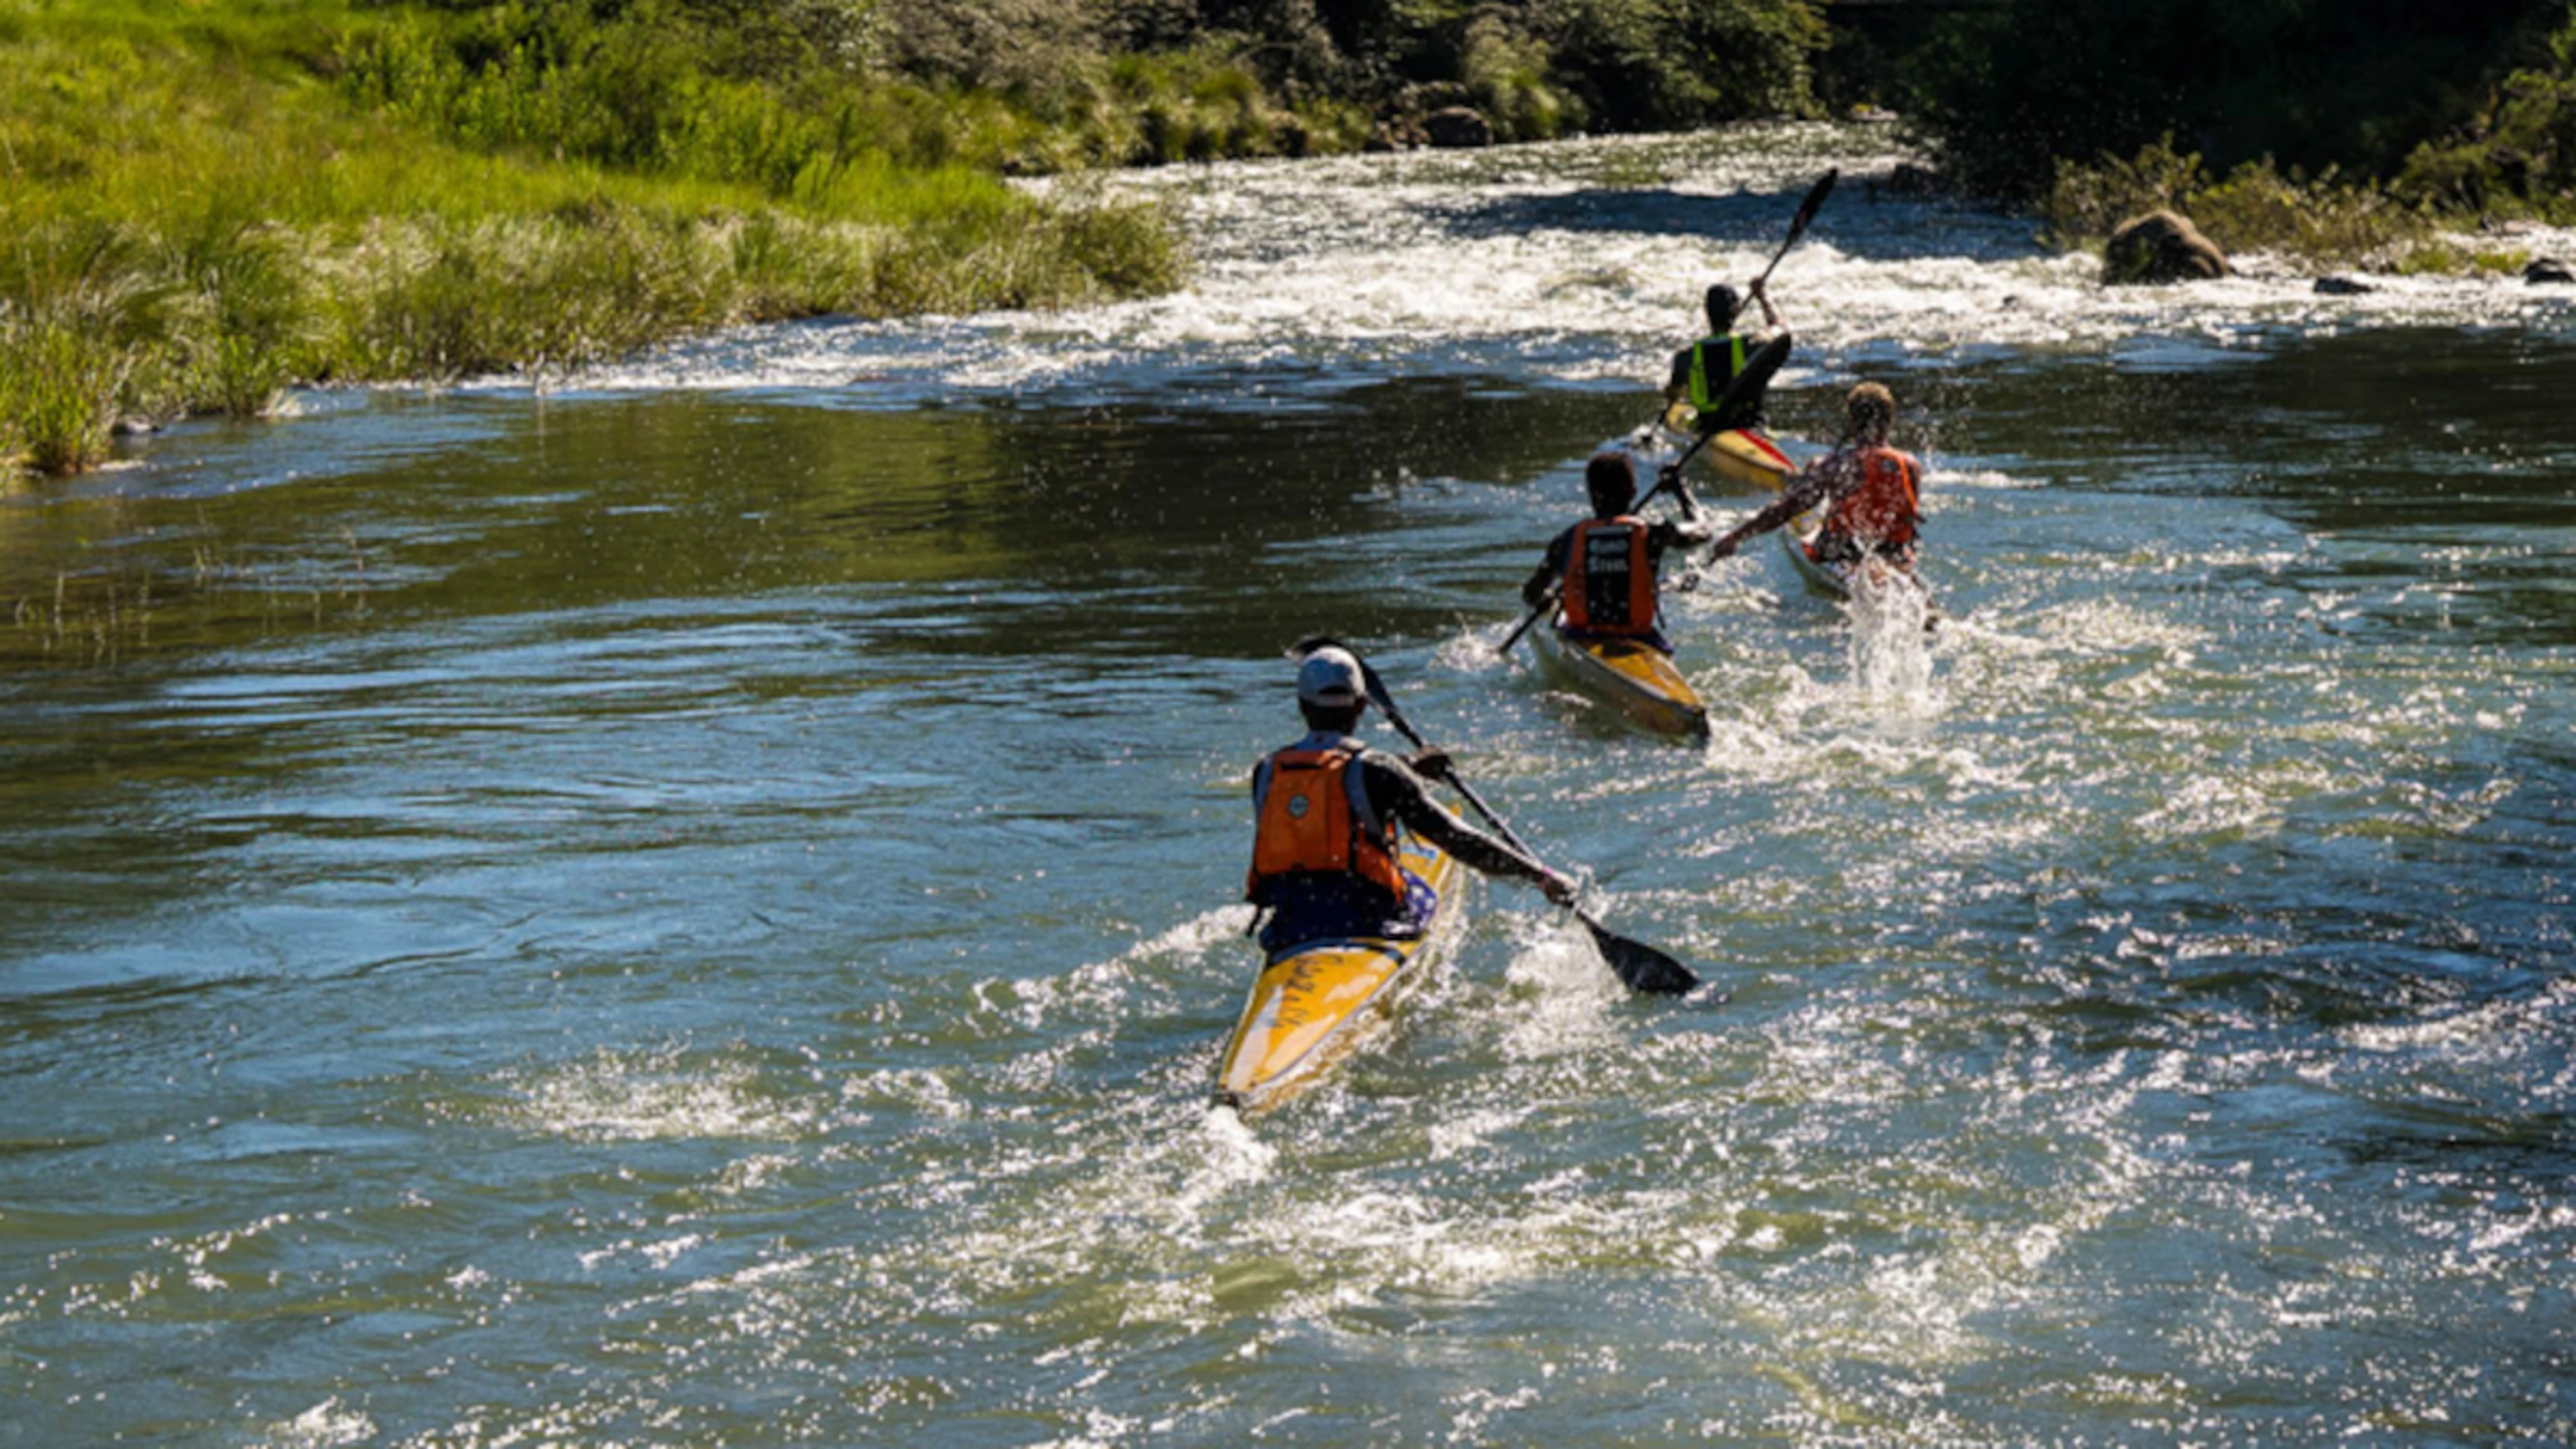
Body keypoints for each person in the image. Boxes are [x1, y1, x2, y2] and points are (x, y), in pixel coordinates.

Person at [1246, 647, 1577, 953]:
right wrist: (1541, 875)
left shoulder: (1266, 771)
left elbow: (1326, 781)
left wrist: (1407, 767)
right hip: (1369, 919)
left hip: (1290, 922)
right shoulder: (1380, 770)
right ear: (1361, 706)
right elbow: (1456, 839)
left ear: (1302, 706)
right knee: (1416, 892)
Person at [1702, 381, 1923, 570]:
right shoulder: (1911, 465)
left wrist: (1736, 537)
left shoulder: (1835, 465)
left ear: (1852, 422)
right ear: (1889, 421)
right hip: (1895, 552)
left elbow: (1786, 509)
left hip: (1844, 553)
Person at [1520, 450, 1715, 655]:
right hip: (1639, 637)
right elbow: (1703, 530)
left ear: (1591, 495)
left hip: (1580, 635)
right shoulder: (1652, 534)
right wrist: (1681, 489)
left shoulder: (1565, 541)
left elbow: (1531, 594)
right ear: (1632, 492)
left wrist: (1550, 599)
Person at [1663, 278, 1793, 435]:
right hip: (1750, 425)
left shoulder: (1685, 357)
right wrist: (1763, 297)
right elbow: (1781, 330)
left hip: (1706, 427)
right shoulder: (1752, 345)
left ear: (1707, 313)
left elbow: (1673, 394)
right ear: (1737, 311)